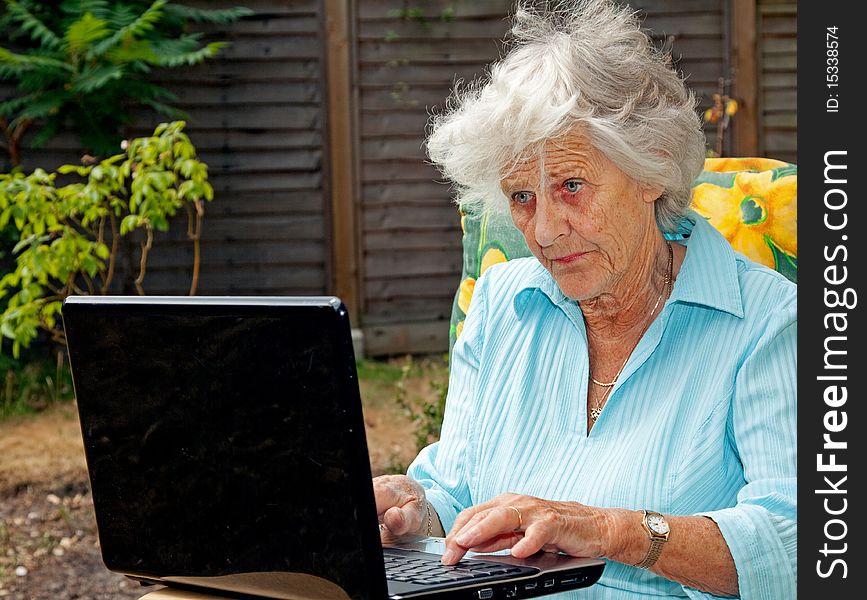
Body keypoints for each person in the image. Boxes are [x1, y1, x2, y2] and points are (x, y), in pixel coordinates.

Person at [373, 1, 796, 598]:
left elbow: (802, 547)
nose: (544, 231)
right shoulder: (502, 304)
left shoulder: (770, 323)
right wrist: (418, 510)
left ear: (654, 168)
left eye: (570, 187)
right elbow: (459, 491)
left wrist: (610, 531)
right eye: (522, 197)